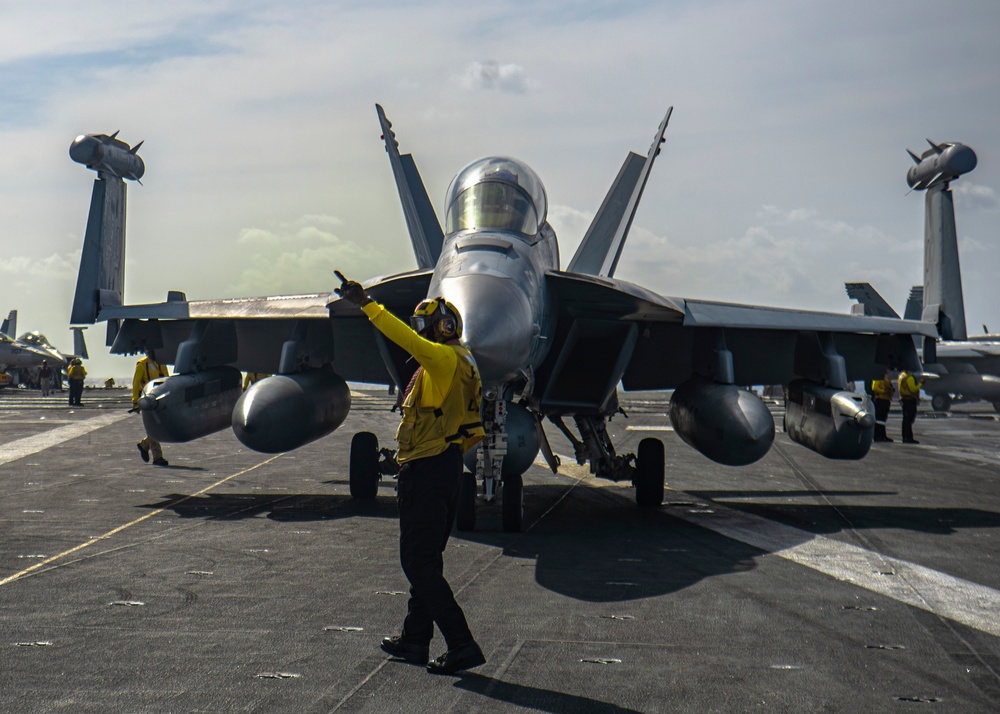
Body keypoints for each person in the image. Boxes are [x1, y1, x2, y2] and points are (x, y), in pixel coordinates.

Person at [335, 271, 487, 676]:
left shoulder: (441, 358)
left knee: (417, 562)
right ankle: (415, 639)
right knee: (427, 560)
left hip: (428, 467)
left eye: (426, 325)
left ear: (442, 327)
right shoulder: (466, 359)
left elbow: (404, 338)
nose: (421, 333)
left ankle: (461, 642)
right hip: (447, 466)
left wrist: (367, 303)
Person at [133, 348, 170, 466]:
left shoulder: (162, 364)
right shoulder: (142, 365)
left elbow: (167, 380)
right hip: (148, 401)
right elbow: (136, 383)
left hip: (161, 400)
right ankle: (157, 457)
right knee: (153, 428)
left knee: (161, 428)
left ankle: (144, 445)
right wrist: (135, 401)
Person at [898, 369, 924, 444]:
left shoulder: (901, 376)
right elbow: (913, 389)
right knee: (909, 419)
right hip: (910, 400)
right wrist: (920, 384)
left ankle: (905, 437)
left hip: (904, 399)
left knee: (905, 420)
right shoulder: (909, 377)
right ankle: (908, 437)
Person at [870, 369, 895, 443]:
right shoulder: (878, 377)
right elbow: (874, 387)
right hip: (881, 399)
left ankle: (882, 435)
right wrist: (883, 391)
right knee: (879, 418)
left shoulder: (886, 377)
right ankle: (877, 435)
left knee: (883, 418)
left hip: (886, 399)